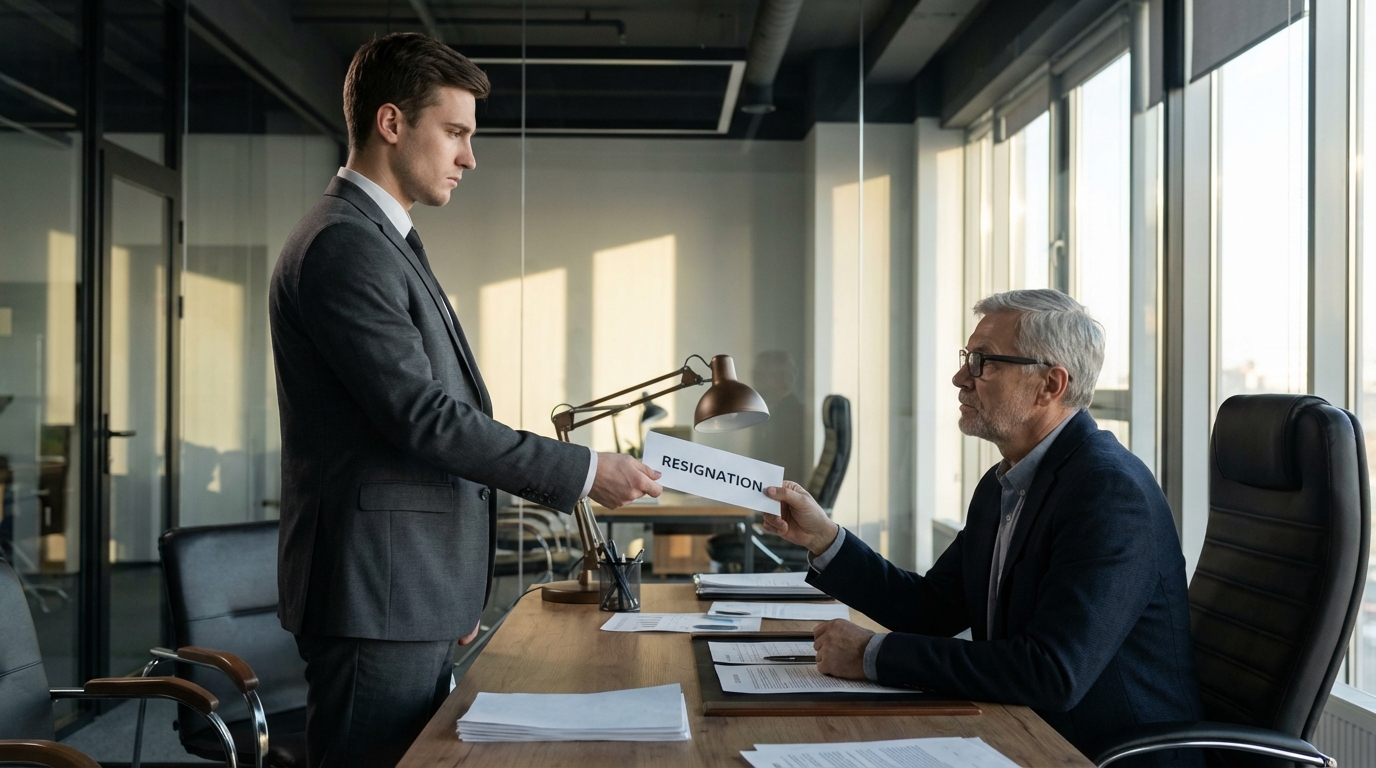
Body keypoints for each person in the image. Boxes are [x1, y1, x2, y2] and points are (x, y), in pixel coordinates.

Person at [269, 33, 662, 767]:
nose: (469, 157)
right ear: (391, 123)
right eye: (455, 132)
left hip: (405, 591)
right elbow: (423, 418)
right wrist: (582, 471)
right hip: (377, 596)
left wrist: (449, 590)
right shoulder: (345, 244)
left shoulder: (379, 240)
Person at [763, 289, 1200, 762]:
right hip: (1021, 731)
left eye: (983, 362)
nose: (960, 378)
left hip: (1101, 754)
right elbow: (932, 610)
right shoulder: (1003, 484)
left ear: (1050, 385)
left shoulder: (1109, 493)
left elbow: (1052, 672)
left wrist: (874, 655)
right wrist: (824, 538)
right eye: (966, 358)